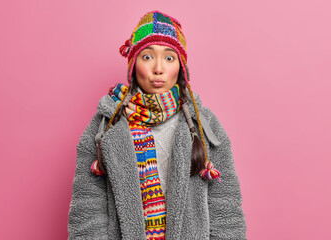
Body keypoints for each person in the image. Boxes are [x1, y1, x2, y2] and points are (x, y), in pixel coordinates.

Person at [68, 10, 247, 240]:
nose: (158, 68)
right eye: (148, 56)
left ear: (180, 67)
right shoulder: (107, 126)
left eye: (169, 57)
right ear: (133, 65)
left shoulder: (204, 126)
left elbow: (226, 208)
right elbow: (87, 209)